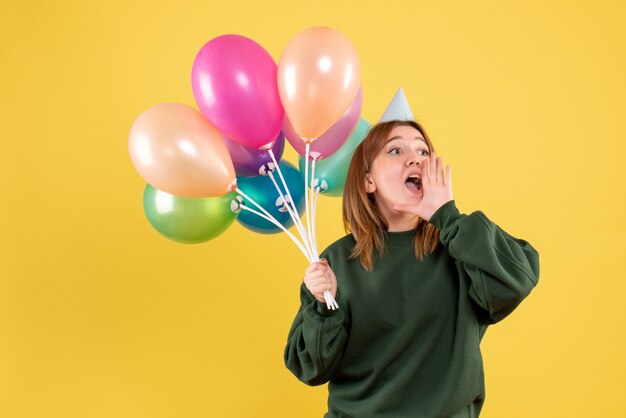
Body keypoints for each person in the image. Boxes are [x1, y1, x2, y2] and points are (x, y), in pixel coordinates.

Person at [284, 119, 540, 418]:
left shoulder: (462, 244)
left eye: (423, 151)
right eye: (395, 150)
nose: (414, 158)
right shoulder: (337, 261)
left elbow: (517, 281)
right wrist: (323, 305)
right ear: (369, 180)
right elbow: (310, 368)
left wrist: (448, 217)